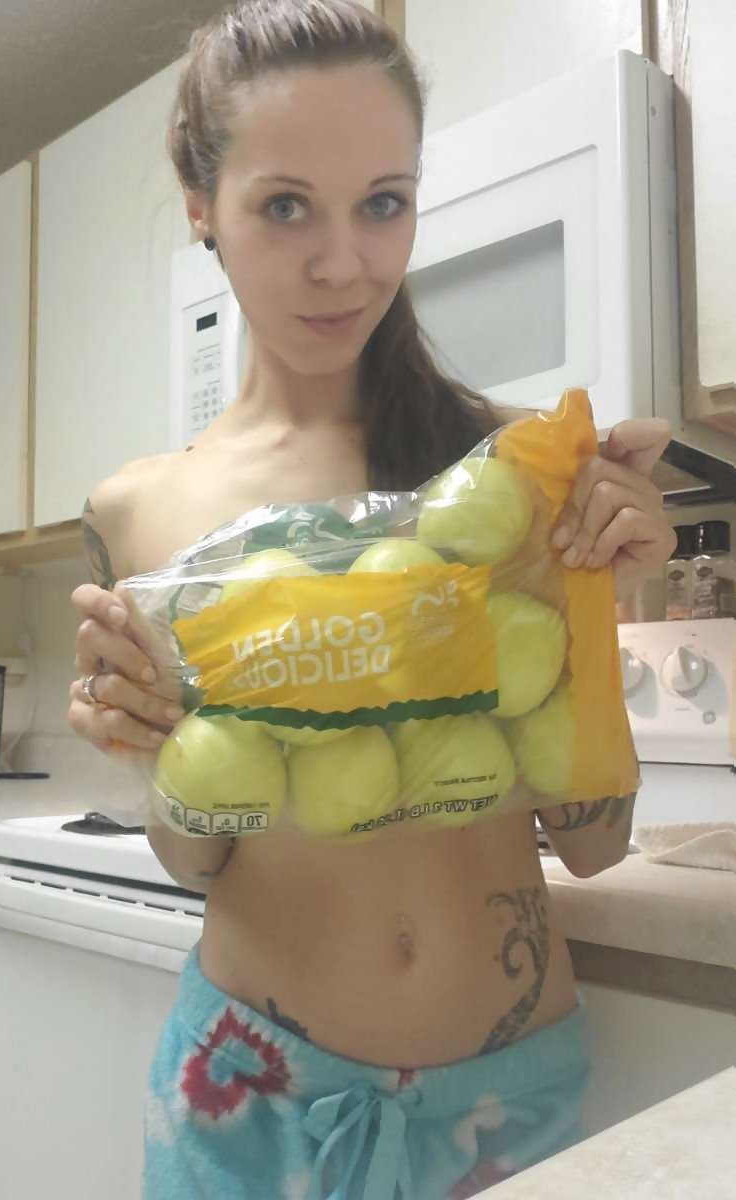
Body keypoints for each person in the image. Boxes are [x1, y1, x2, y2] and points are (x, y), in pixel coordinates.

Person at [68, 3, 675, 1195]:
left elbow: (595, 847)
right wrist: (147, 742)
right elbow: (197, 860)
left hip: (509, 1107)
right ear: (201, 206)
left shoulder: (509, 474)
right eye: (287, 206)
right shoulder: (141, 511)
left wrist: (601, 607)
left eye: (383, 203)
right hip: (252, 1105)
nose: (344, 263)